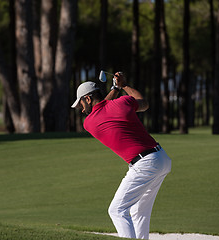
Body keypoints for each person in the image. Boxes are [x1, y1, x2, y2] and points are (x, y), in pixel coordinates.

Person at [71, 72, 172, 239]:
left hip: (144, 164)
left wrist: (116, 88)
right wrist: (123, 86)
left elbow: (103, 106)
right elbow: (144, 103)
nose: (81, 110)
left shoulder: (89, 123)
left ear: (88, 99)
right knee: (138, 211)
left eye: (81, 103)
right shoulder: (123, 102)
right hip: (161, 159)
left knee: (117, 210)